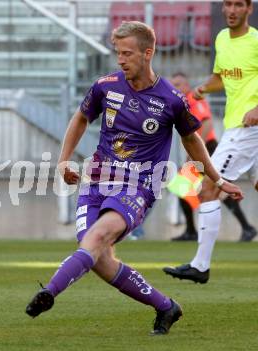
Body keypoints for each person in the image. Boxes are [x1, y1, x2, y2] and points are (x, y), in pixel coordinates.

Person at [25, 21, 243, 335]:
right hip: (97, 181)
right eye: (118, 53)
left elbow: (192, 139)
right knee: (97, 257)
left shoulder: (170, 98)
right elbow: (81, 117)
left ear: (147, 53)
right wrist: (63, 160)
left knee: (96, 239)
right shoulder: (106, 85)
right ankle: (166, 307)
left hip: (139, 186)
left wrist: (217, 179)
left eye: (127, 53)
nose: (121, 60)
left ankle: (50, 292)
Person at [163, 0, 258, 284]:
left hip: (245, 129)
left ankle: (200, 266)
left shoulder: (255, 41)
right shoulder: (221, 39)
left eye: (238, 5)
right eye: (227, 4)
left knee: (207, 188)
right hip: (237, 126)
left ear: (248, 9)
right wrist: (205, 86)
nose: (231, 10)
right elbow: (222, 76)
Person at [169, 72, 257, 242]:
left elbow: (207, 122)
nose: (175, 88)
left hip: (207, 149)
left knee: (190, 188)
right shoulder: (183, 102)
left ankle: (193, 232)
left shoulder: (193, 100)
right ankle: (246, 228)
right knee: (194, 189)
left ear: (187, 86)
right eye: (173, 85)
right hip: (202, 149)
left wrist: (193, 153)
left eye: (178, 84)